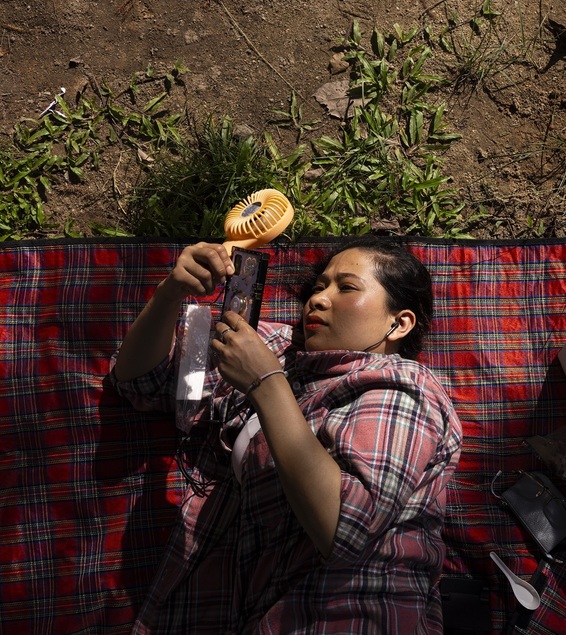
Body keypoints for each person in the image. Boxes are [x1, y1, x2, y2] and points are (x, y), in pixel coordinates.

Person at [110, 236, 461, 634]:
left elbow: (344, 528)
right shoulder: (273, 347)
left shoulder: (402, 386)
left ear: (398, 323)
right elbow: (141, 382)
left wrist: (265, 383)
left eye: (346, 288)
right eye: (318, 286)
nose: (319, 299)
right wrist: (170, 293)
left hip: (357, 615)